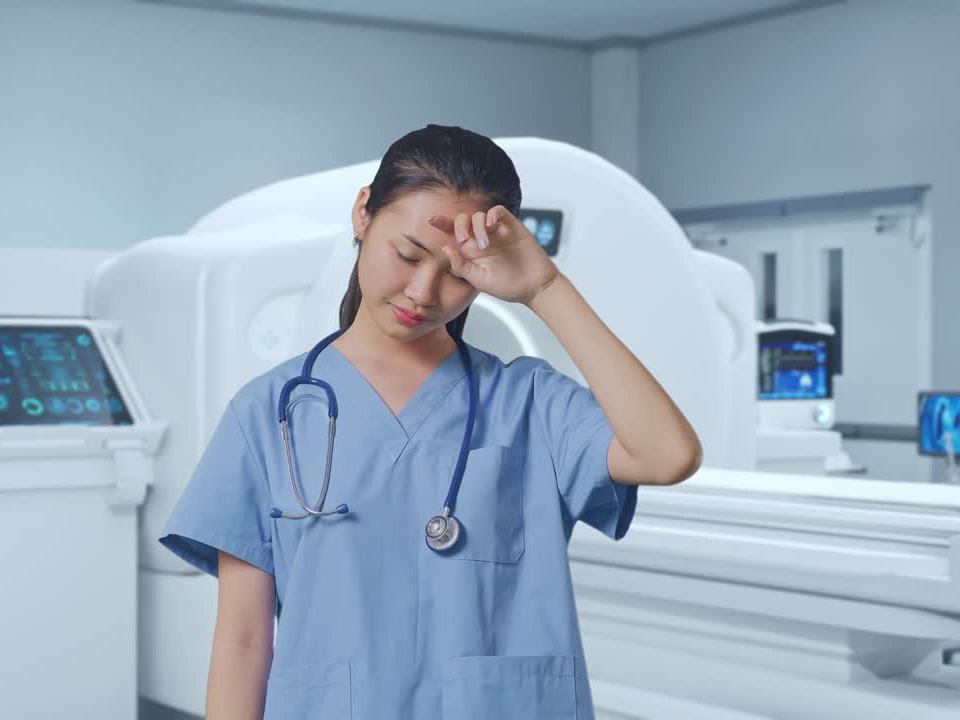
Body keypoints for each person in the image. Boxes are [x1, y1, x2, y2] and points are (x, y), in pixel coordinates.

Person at [158, 124, 702, 719]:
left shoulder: (528, 402)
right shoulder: (270, 413)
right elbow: (242, 641)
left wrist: (545, 287)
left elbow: (668, 455)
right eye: (408, 255)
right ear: (363, 213)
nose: (424, 291)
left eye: (458, 274)